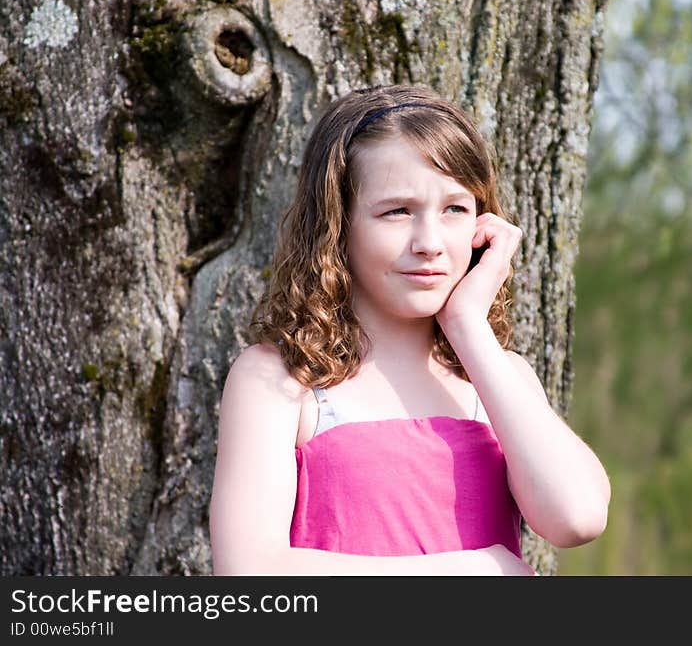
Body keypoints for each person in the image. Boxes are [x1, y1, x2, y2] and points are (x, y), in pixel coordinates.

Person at [208, 84, 611, 575]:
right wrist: (470, 573)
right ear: (338, 225)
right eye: (397, 211)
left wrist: (468, 328)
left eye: (455, 210)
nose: (429, 242)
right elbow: (250, 574)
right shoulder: (281, 383)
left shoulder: (497, 377)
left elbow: (578, 517)